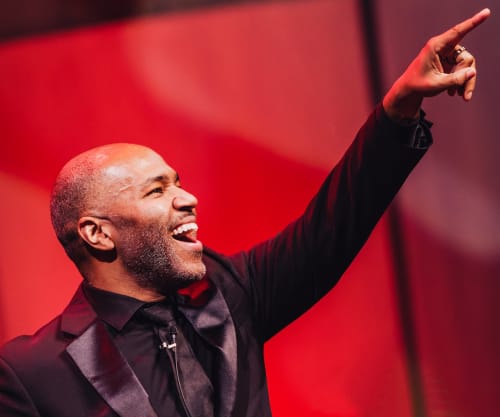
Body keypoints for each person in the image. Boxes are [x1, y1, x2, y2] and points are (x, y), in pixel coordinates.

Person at [0, 8, 491, 417]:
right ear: (97, 234)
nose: (187, 198)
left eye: (179, 182)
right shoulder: (32, 373)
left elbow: (332, 227)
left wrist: (399, 108)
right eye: (156, 191)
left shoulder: (230, 295)